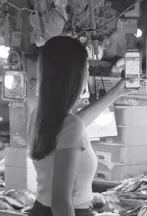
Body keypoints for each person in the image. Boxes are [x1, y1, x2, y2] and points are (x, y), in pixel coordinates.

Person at [28, 36, 134, 216]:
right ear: (76, 75)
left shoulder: (38, 116)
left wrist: (115, 93)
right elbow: (61, 202)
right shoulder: (70, 126)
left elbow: (71, 126)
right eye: (86, 68)